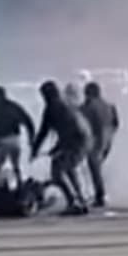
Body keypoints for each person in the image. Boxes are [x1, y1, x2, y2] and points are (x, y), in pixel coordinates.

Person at [32, 80, 90, 215]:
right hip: (83, 138)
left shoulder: (53, 107)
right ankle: (81, 199)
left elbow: (44, 131)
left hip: (76, 140)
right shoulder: (65, 103)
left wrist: (35, 149)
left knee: (57, 171)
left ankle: (74, 201)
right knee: (69, 169)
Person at [0, 85, 35, 185]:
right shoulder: (12, 107)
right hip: (15, 140)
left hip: (5, 141)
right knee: (15, 165)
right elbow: (27, 121)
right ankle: (19, 184)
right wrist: (31, 137)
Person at [81, 81, 120, 208]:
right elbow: (116, 124)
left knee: (94, 167)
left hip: (97, 139)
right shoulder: (109, 106)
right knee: (97, 166)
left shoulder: (89, 106)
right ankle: (102, 191)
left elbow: (84, 124)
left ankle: (100, 195)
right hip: (108, 139)